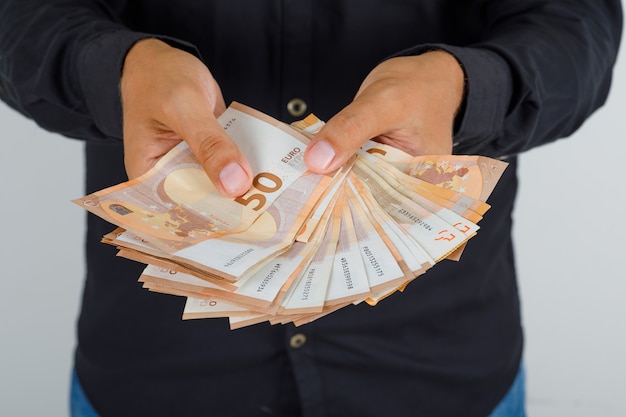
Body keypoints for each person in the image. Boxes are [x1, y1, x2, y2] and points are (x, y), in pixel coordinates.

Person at [0, 1, 621, 416]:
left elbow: (576, 26)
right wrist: (116, 68)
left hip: (435, 367)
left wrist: (467, 87)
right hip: (161, 369)